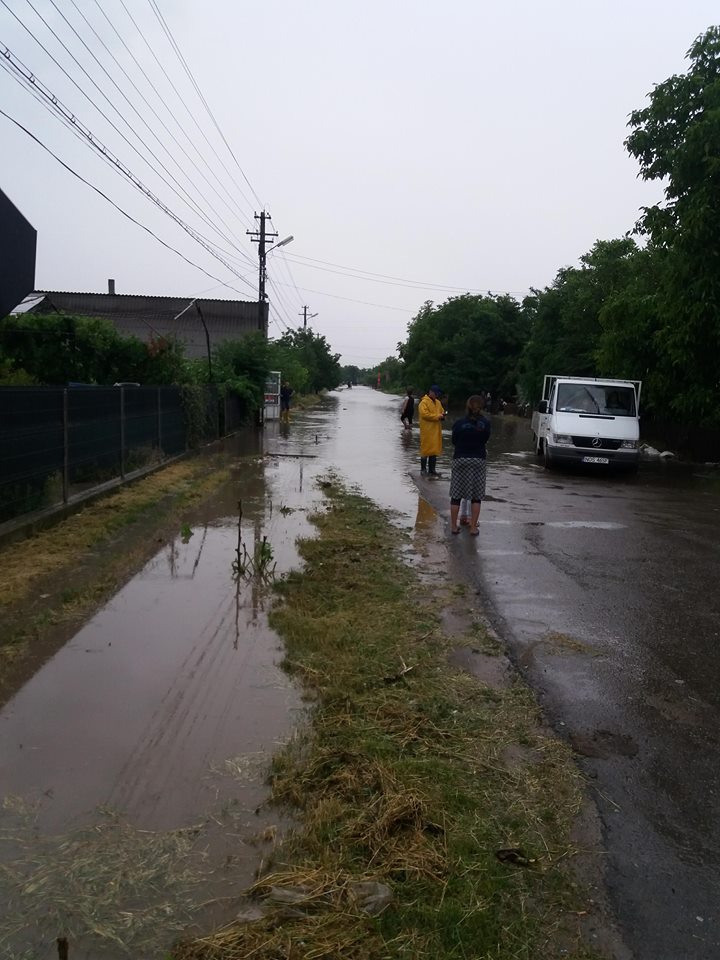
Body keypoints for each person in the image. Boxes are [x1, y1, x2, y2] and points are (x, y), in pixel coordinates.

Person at [449, 395, 491, 535]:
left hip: (460, 459)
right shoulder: (485, 423)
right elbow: (485, 440)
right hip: (478, 460)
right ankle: (473, 528)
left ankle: (454, 527)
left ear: (467, 407)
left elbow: (454, 441)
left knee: (456, 496)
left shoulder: (459, 423)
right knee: (476, 497)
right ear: (481, 408)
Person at [418, 384, 445, 477]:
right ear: (430, 392)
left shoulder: (438, 402)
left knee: (434, 450)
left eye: (438, 393)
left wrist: (443, 415)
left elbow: (441, 411)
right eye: (435, 393)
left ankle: (432, 470)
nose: (437, 395)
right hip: (427, 430)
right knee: (425, 449)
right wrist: (438, 417)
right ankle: (423, 469)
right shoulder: (423, 402)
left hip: (436, 430)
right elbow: (424, 415)